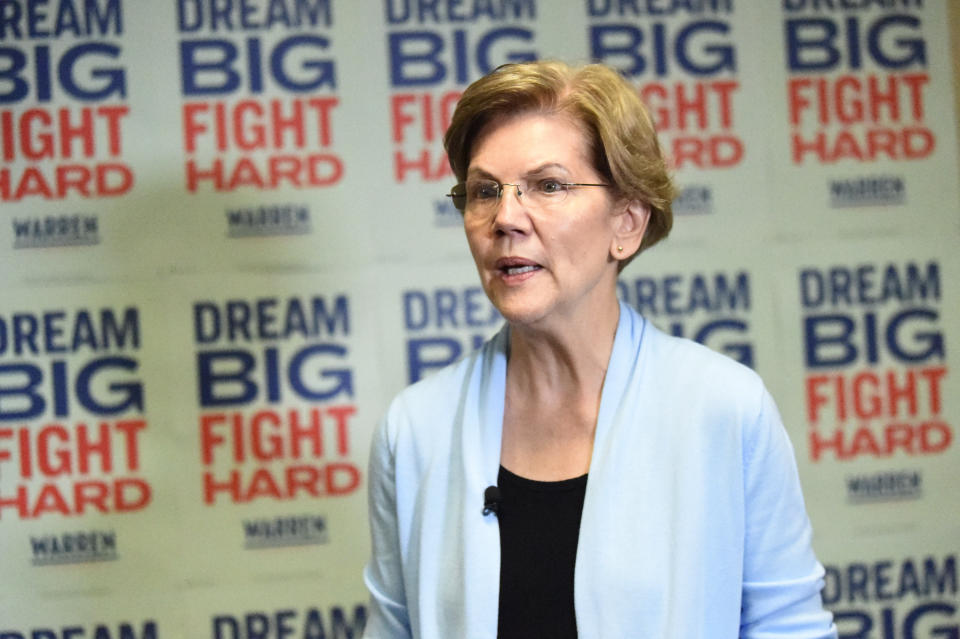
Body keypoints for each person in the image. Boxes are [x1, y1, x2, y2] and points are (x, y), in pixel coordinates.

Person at [362, 60, 837, 639]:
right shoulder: (414, 430)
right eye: (485, 191)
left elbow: (787, 628)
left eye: (549, 185)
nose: (505, 218)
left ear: (628, 223)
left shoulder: (723, 408)